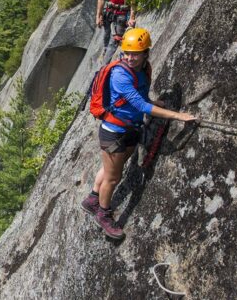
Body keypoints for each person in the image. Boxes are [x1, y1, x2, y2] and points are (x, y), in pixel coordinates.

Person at [80, 28, 197, 239]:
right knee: (113, 178)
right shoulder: (119, 75)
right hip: (113, 132)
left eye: (135, 53)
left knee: (113, 167)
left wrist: (155, 102)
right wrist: (177, 116)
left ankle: (92, 198)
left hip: (131, 129)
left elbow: (139, 97)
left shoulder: (144, 69)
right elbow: (140, 105)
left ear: (146, 53)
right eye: (127, 52)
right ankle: (103, 214)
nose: (130, 57)